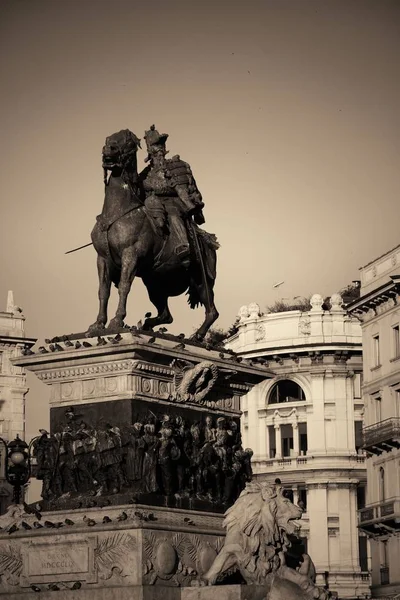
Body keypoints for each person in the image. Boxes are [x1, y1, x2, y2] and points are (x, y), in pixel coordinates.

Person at [140, 125, 205, 268]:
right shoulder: (145, 173)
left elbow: (189, 188)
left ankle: (183, 245)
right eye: (155, 151)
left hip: (174, 203)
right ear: (150, 153)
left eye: (160, 150)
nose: (159, 154)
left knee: (173, 215)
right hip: (153, 203)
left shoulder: (176, 166)